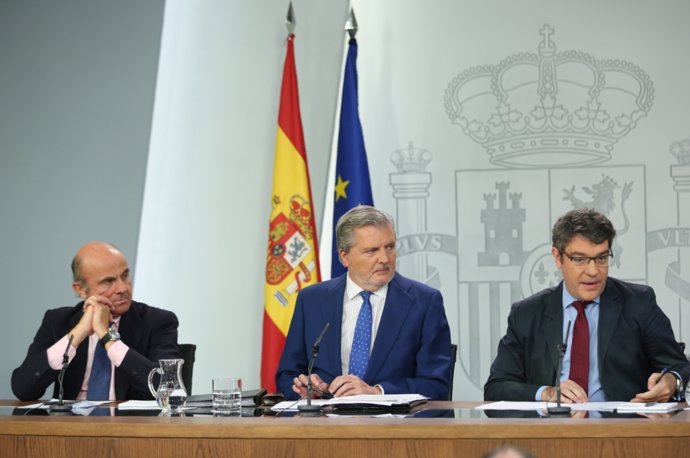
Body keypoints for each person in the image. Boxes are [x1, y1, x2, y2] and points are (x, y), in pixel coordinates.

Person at [485, 208, 690, 403]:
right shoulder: (527, 314)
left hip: (621, 430)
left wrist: (672, 381)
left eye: (601, 258)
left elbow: (678, 366)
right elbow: (496, 387)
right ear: (558, 257)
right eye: (580, 259)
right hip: (550, 432)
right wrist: (546, 393)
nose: (593, 271)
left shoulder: (638, 303)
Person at [276, 205, 452, 400]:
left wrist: (377, 392)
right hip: (327, 425)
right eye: (371, 251)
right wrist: (306, 388)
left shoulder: (425, 302)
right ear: (344, 256)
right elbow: (286, 375)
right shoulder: (311, 300)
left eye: (390, 247)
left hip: (395, 427)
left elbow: (436, 385)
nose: (385, 259)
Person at [12, 242, 179, 401]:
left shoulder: (158, 321)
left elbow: (166, 388)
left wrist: (106, 336)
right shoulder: (57, 321)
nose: (122, 288)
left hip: (130, 426)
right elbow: (24, 389)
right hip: (69, 425)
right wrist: (78, 333)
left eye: (125, 275)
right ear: (80, 289)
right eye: (108, 281)